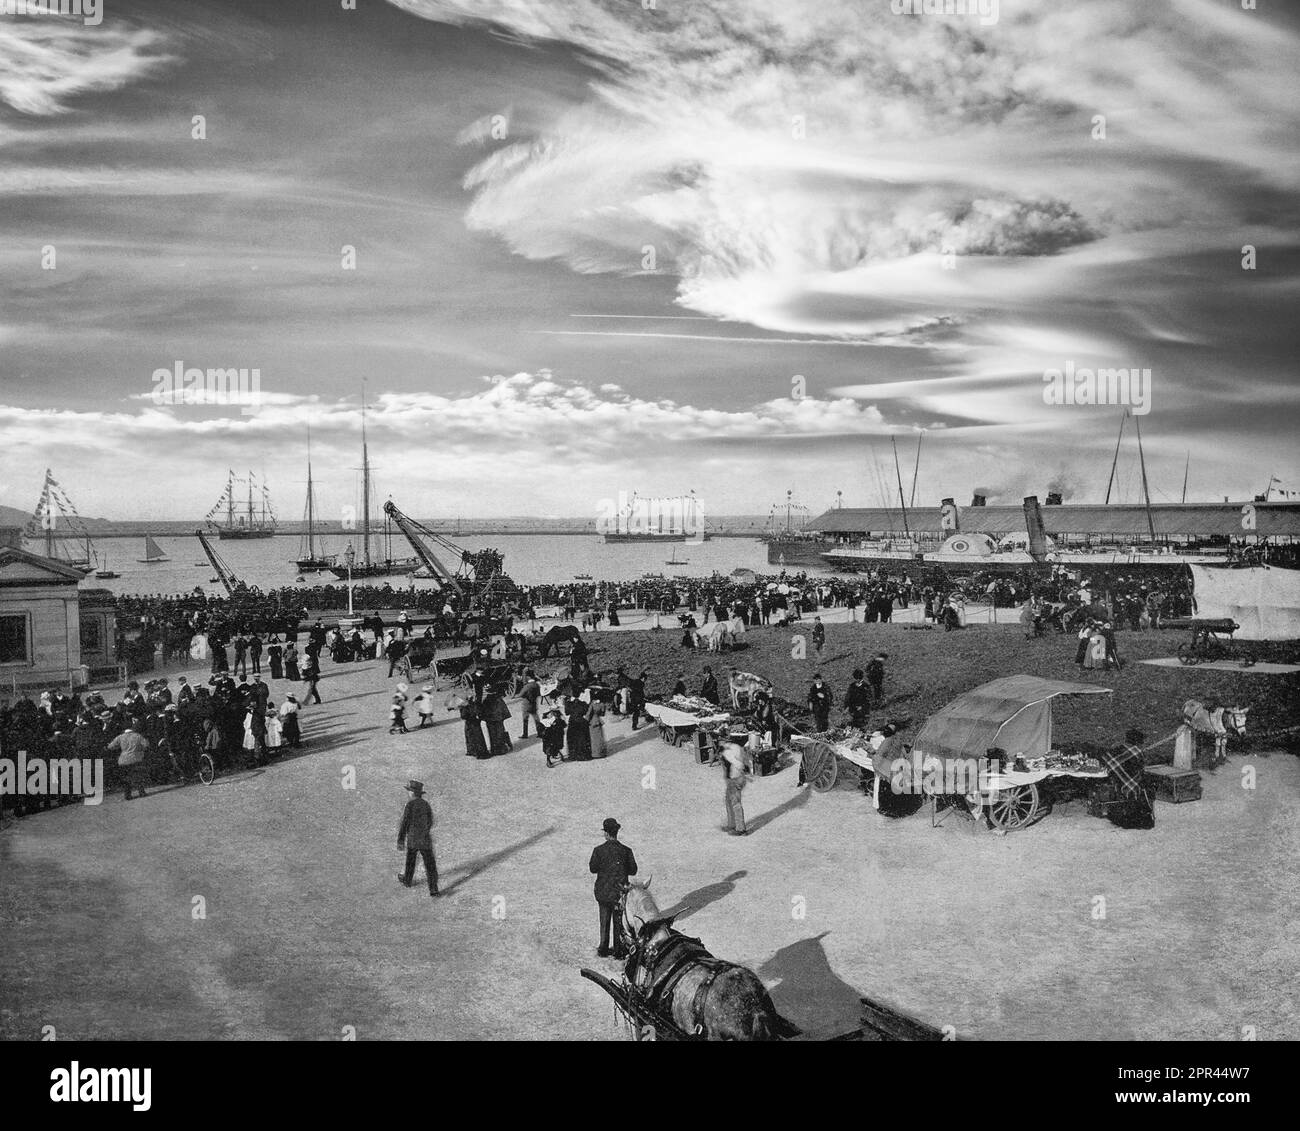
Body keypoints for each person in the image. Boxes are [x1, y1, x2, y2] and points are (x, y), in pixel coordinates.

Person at [589, 817, 637, 958]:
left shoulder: (598, 850)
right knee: (618, 922)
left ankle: (603, 948)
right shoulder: (626, 851)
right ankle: (618, 949)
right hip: (619, 894)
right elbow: (633, 870)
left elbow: (593, 868)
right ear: (616, 832)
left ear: (606, 833)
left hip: (603, 893)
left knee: (604, 921)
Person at [397, 779, 439, 897]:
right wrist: (425, 831)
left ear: (412, 792)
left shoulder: (410, 805)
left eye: (409, 790)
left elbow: (405, 823)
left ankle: (408, 881)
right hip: (425, 838)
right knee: (430, 865)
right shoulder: (426, 804)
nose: (408, 793)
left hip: (413, 839)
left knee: (410, 861)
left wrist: (401, 839)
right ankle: (434, 888)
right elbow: (430, 821)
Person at [107, 722, 150, 801]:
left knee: (126, 778)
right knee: (138, 776)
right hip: (136, 759)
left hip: (123, 760)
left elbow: (110, 747)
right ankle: (141, 792)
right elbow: (146, 745)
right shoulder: (138, 736)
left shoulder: (120, 737)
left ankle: (127, 795)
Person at [721, 736, 751, 836]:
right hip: (736, 779)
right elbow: (746, 762)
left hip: (735, 779)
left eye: (721, 741)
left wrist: (739, 769)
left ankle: (741, 829)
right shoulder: (738, 747)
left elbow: (738, 764)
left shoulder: (728, 752)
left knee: (735, 803)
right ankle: (731, 825)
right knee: (728, 801)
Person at [481, 687, 513, 756]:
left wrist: (484, 718)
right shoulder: (499, 699)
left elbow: (483, 712)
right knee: (500, 733)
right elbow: (504, 710)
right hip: (499, 720)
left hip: (490, 721)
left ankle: (494, 750)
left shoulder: (486, 700)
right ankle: (502, 749)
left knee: (492, 735)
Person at [566, 696, 592, 761]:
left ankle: (573, 755)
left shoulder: (569, 704)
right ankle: (583, 755)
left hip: (572, 721)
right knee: (582, 738)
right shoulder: (583, 703)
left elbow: (566, 713)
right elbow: (585, 712)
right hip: (581, 721)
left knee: (573, 738)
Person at [518, 670, 542, 739]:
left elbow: (521, 695)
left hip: (526, 705)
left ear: (528, 677)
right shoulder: (536, 684)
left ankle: (525, 734)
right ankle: (540, 732)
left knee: (525, 719)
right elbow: (539, 694)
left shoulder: (527, 686)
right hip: (534, 703)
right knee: (536, 719)